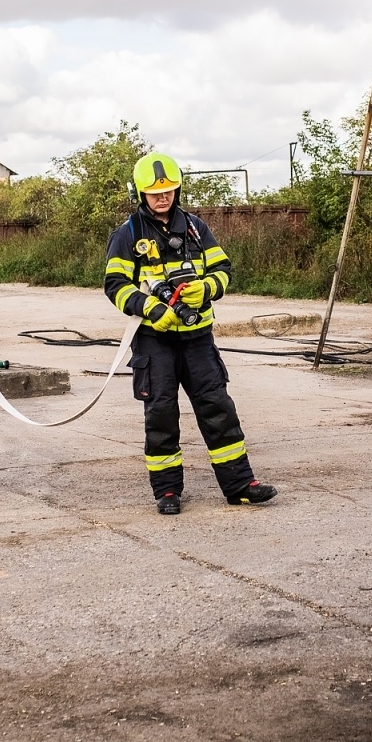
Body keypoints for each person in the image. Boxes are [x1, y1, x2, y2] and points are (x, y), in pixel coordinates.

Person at [104, 152, 277, 515]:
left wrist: (209, 287)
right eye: (154, 192)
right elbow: (115, 284)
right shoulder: (128, 234)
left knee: (218, 409)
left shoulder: (197, 228)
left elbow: (223, 268)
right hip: (156, 342)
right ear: (141, 193)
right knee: (161, 415)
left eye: (168, 190)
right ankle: (167, 492)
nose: (162, 197)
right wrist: (149, 307)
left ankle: (240, 485)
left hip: (198, 339)